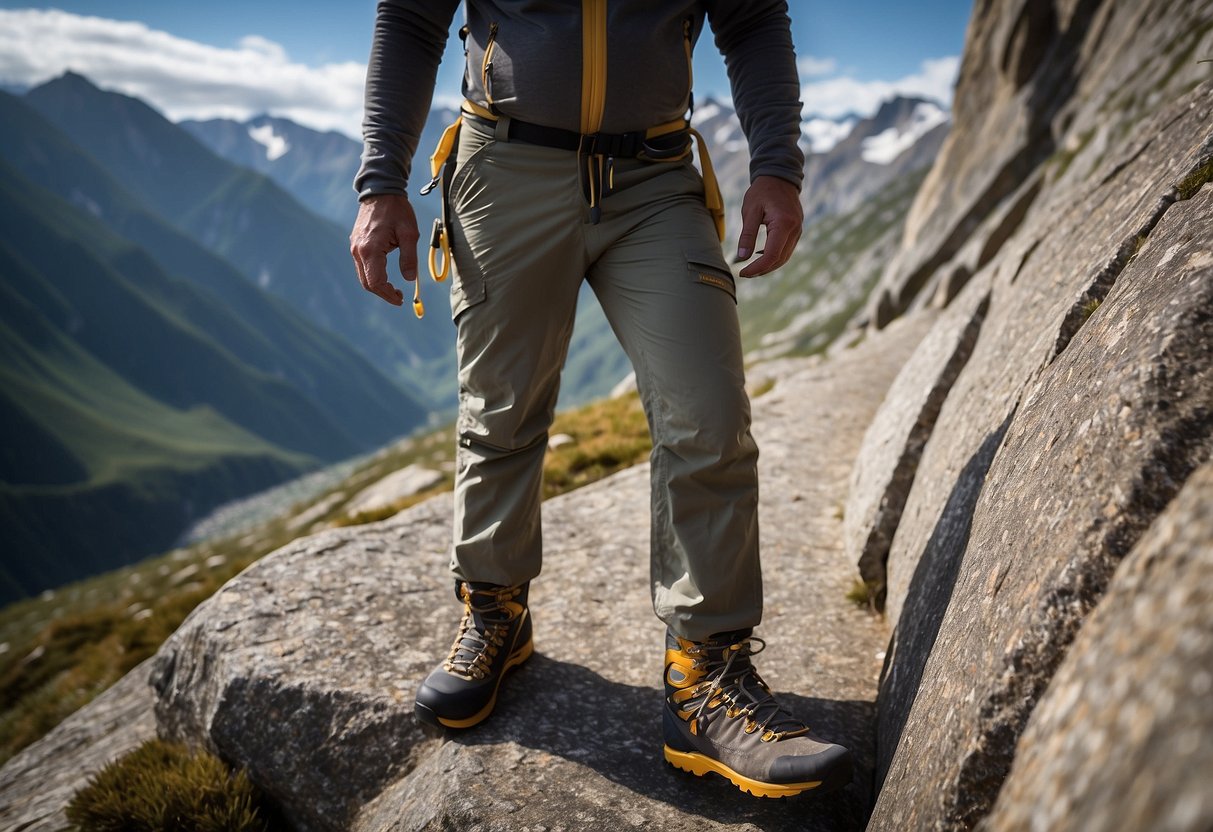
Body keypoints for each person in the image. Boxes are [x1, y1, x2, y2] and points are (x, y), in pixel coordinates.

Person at [350, 0, 852, 798]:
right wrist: (381, 179)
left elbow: (751, 19)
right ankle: (495, 608)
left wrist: (776, 166)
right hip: (503, 168)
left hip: (654, 179)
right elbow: (410, 20)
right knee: (500, 413)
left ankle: (704, 679)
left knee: (708, 416)